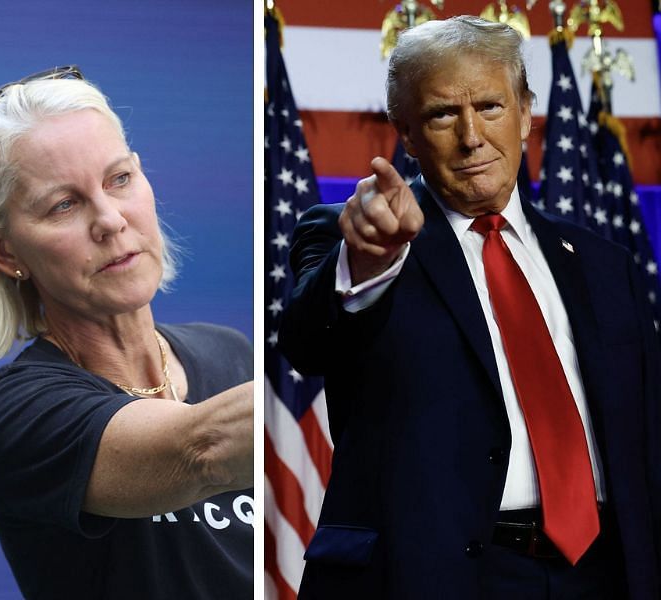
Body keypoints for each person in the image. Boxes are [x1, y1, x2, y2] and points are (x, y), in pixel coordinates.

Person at [279, 16, 661, 598]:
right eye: (441, 115)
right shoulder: (355, 239)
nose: (471, 136)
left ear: (526, 112)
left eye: (489, 106)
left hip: (601, 574)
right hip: (434, 577)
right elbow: (306, 344)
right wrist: (370, 262)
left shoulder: (605, 264)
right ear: (405, 133)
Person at [0, 66, 254, 599]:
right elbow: (201, 450)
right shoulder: (19, 410)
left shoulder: (230, 352)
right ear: (4, 250)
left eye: (119, 179)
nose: (110, 219)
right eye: (64, 204)